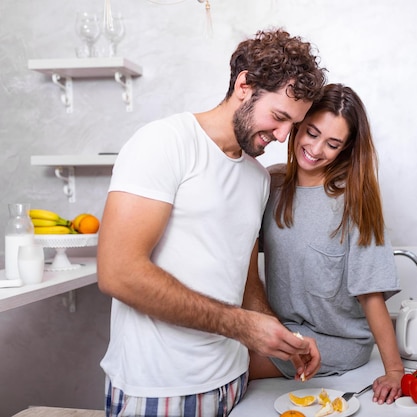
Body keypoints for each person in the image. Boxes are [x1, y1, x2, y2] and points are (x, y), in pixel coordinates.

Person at [97, 29, 327, 417]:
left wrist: (282, 337)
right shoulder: (164, 143)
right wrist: (243, 327)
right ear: (245, 84)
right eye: (279, 116)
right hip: (159, 390)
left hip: (233, 383)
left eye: (294, 123)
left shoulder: (255, 177)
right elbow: (118, 273)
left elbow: (245, 278)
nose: (284, 135)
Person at [248, 83, 405, 404]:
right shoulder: (272, 184)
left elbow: (370, 294)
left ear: (345, 149)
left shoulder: (354, 202)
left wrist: (395, 371)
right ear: (296, 125)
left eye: (332, 144)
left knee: (228, 364)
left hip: (336, 341)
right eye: (311, 132)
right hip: (285, 331)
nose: (316, 149)